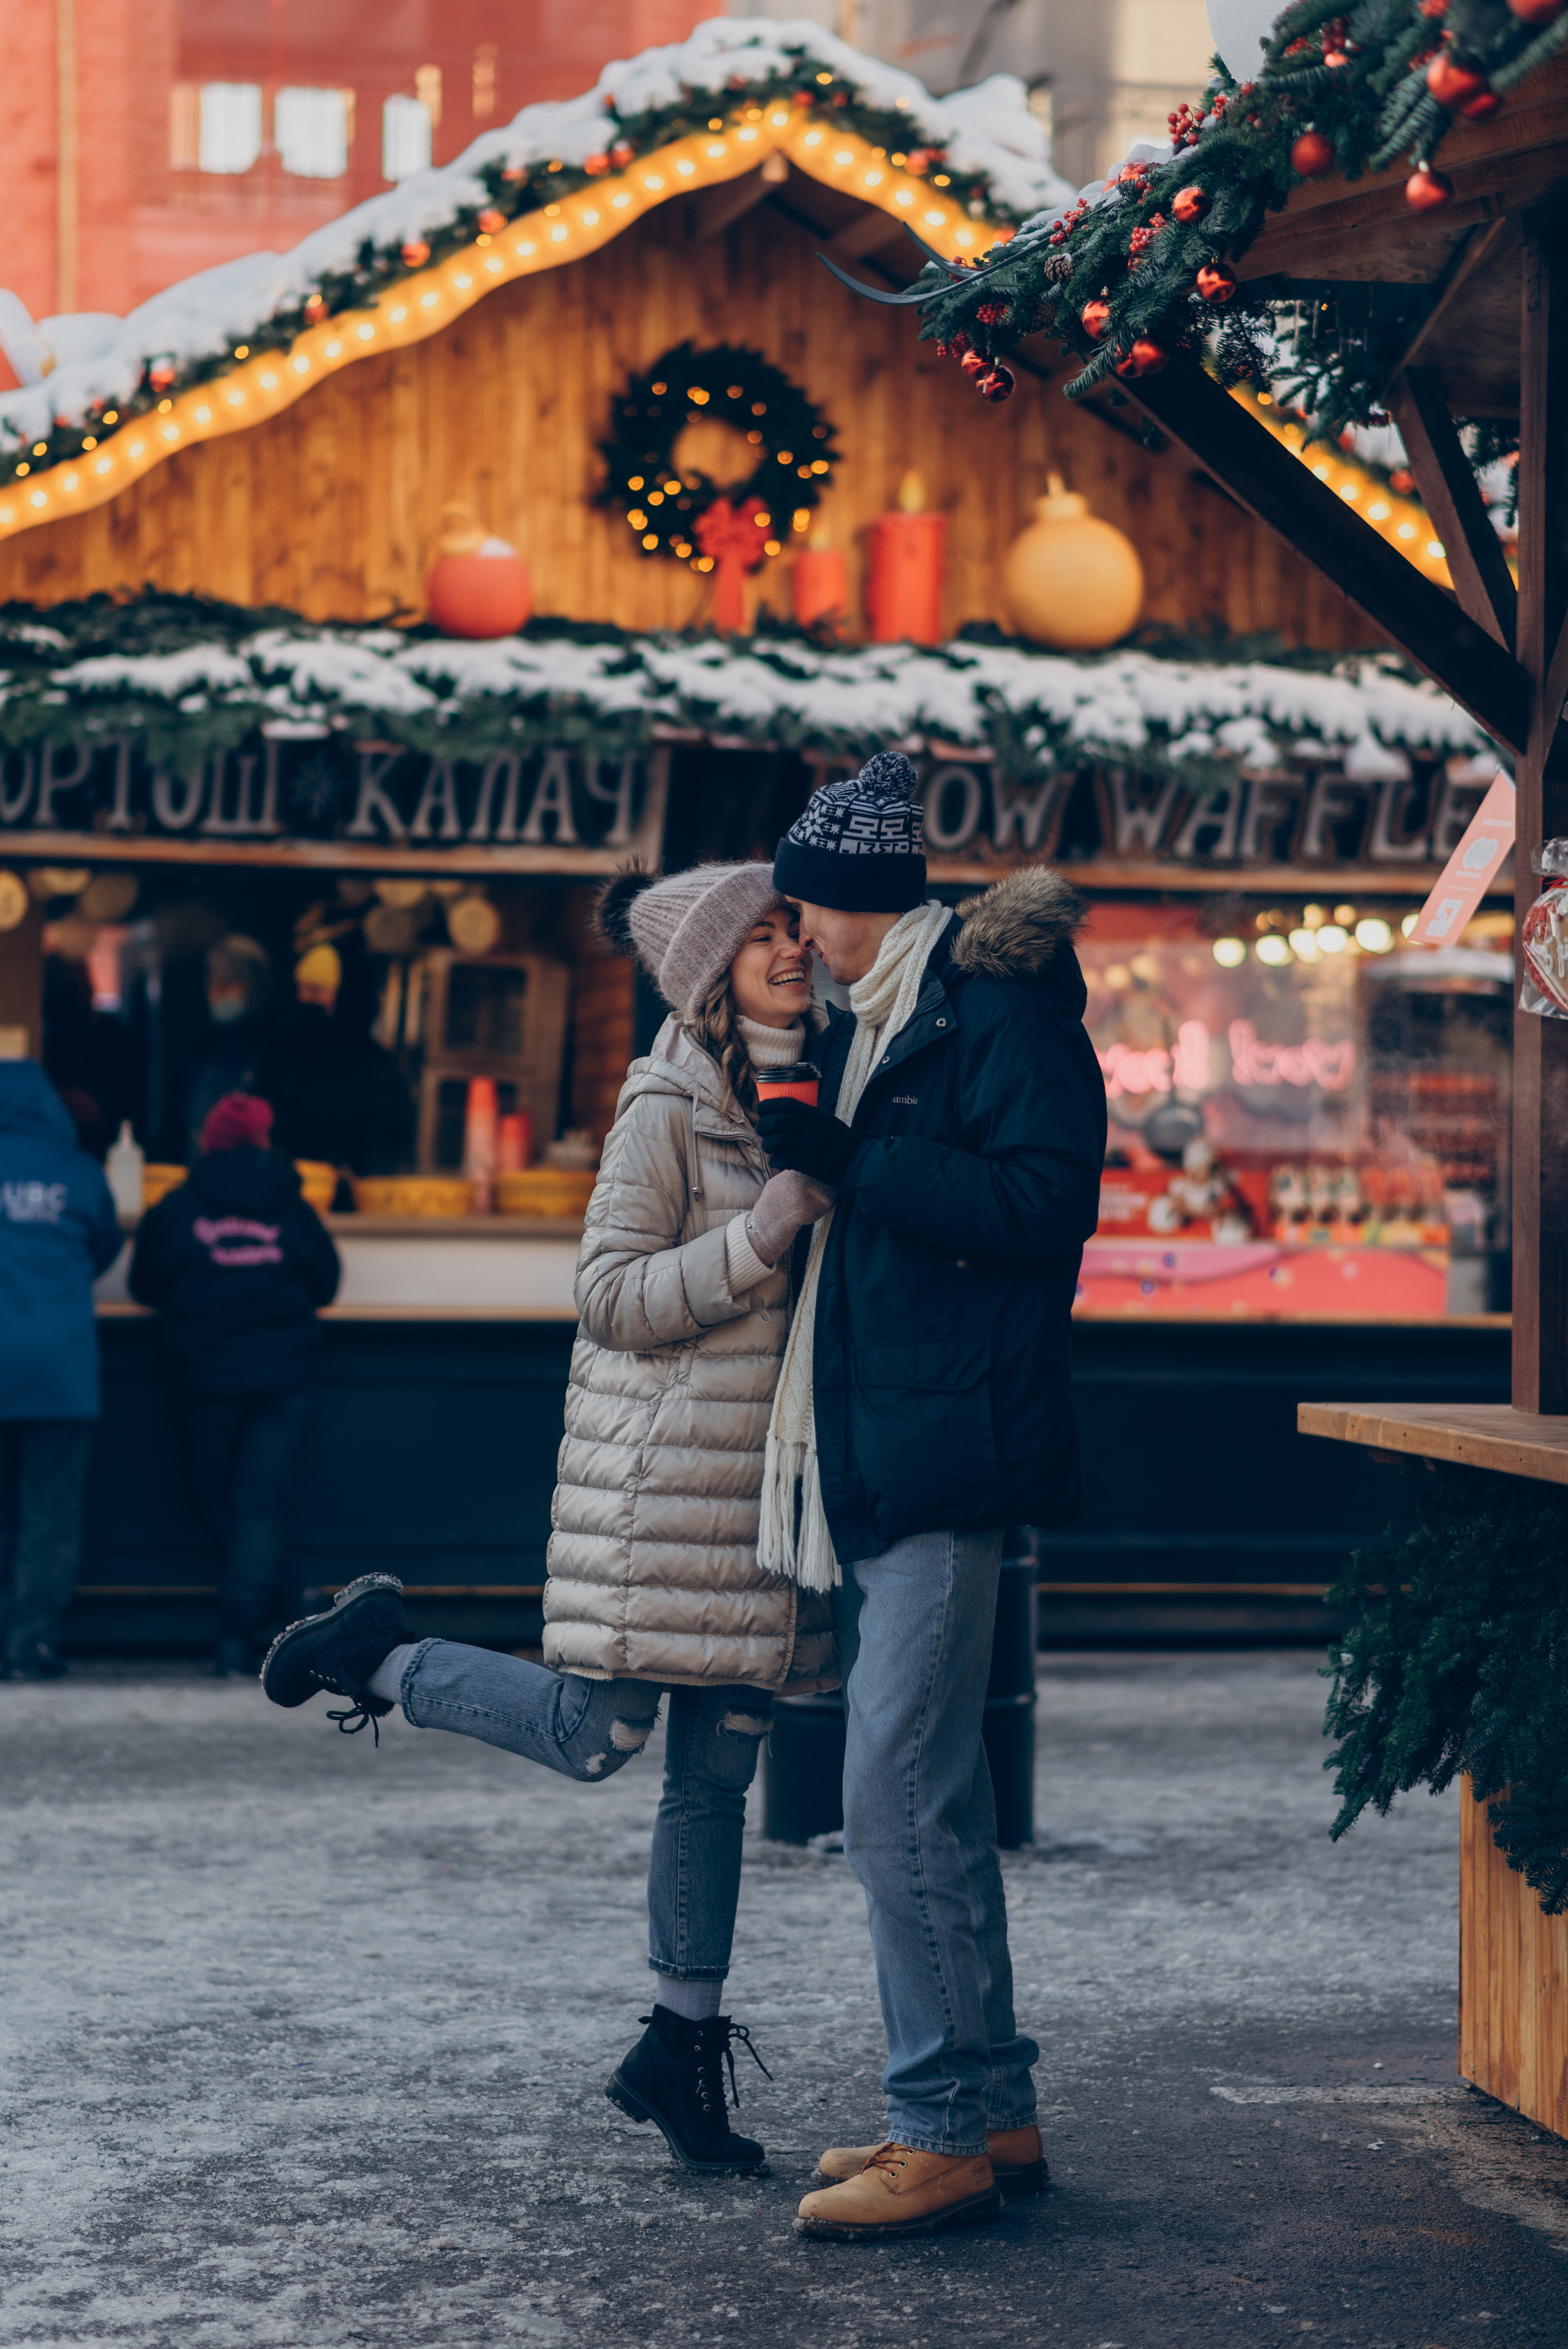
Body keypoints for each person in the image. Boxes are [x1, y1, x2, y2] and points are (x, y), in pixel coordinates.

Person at [258, 863, 838, 2174]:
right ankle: (379, 1657)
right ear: (707, 973)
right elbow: (608, 1294)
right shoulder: (669, 1102)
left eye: (792, 925)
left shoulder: (830, 1082)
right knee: (599, 1737)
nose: (788, 949)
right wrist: (757, 1239)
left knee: (717, 1777)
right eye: (756, 937)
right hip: (669, 1486)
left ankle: (679, 2053)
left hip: (772, 1499)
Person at [755, 751, 1107, 2243]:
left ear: (849, 899)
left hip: (948, 1438)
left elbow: (1043, 1204)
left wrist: (849, 1154)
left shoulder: (995, 1011)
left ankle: (940, 2129)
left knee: (888, 1790)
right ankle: (990, 2107)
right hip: (894, 1432)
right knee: (930, 1797)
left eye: (801, 898)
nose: (790, 921)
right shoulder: (884, 1015)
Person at [129, 1091, 341, 1675]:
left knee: (215, 1499)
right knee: (259, 1504)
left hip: (204, 1378)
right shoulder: (293, 1208)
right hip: (286, 1377)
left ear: (208, 1141)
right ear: (265, 1141)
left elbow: (145, 1283)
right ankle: (269, 1618)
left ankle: (256, 1625)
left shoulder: (178, 1208)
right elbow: (326, 1282)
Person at [0, 1059, 122, 1678]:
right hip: (58, 1373)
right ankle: (32, 1646)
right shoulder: (80, 1174)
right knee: (48, 1516)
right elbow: (105, 1246)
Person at [261, 942, 411, 1174]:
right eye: (300, 989)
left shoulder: (375, 1067)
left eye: (316, 991)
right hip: (284, 1192)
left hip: (354, 1200)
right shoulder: (281, 1052)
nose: (304, 999)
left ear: (346, 996)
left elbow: (391, 1141)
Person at [187, 934, 271, 1160]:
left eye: (231, 982)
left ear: (254, 988)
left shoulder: (272, 1055)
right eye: (214, 982)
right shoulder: (198, 1052)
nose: (219, 990)